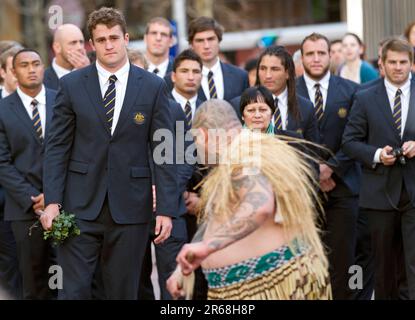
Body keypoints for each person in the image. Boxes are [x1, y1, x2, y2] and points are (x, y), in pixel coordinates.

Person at [41, 7, 177, 299]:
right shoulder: (72, 85)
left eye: (114, 37)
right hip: (78, 207)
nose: (109, 45)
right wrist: (52, 201)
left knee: (122, 293)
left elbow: (164, 151)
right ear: (92, 44)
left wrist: (165, 207)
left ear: (126, 38)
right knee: (72, 292)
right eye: (100, 40)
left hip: (131, 208)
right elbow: (57, 147)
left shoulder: (153, 87)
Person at [167, 99, 332, 300]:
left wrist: (205, 247)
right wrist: (184, 268)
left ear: (202, 135)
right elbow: (219, 219)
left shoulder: (246, 155)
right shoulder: (236, 157)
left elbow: (259, 206)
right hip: (249, 287)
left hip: (272, 286)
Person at [343, 38, 415, 300]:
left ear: (412, 64)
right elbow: (349, 142)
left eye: (403, 62)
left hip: (413, 192)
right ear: (381, 64)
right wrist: (375, 154)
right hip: (379, 192)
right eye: (392, 62)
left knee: (413, 264)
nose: (398, 67)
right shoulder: (364, 97)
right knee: (383, 266)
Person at [296, 33, 362, 299]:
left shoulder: (352, 91)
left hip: (344, 187)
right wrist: (315, 172)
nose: (315, 58)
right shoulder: (289, 92)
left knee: (346, 261)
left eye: (321, 53)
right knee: (308, 260)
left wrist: (331, 168)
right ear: (302, 58)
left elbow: (356, 136)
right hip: (304, 190)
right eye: (310, 54)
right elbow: (289, 139)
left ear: (330, 55)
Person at [0, 48, 57, 299]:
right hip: (24, 209)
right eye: (24, 65)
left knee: (67, 278)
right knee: (32, 283)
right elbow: (2, 162)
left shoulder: (62, 101)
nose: (31, 69)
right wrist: (32, 198)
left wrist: (55, 195)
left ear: (44, 67)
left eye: (36, 63)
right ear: (13, 72)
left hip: (64, 205)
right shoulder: (2, 110)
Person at [232, 46, 318, 144]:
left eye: (275, 69)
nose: (268, 75)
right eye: (263, 69)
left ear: (288, 73)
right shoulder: (237, 105)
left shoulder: (306, 107)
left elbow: (312, 152)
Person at [185, 16, 248, 102]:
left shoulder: (240, 76)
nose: (206, 46)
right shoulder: (181, 79)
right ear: (191, 45)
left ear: (219, 41)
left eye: (211, 39)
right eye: (200, 40)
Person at [43, 24, 90, 90]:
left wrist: (87, 74)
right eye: (73, 43)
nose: (80, 47)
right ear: (57, 47)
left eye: (81, 42)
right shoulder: (42, 79)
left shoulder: (94, 72)